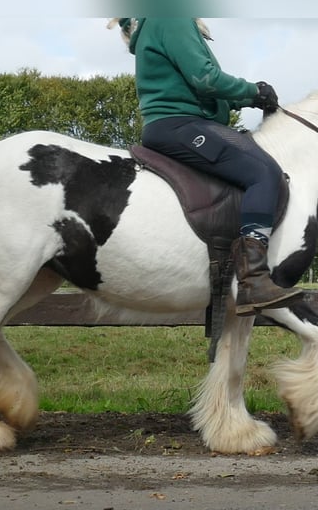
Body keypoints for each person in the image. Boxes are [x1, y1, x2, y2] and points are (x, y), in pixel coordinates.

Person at [109, 17, 304, 316]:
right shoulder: (170, 16)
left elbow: (194, 90)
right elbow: (205, 79)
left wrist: (246, 102)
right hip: (181, 125)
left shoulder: (158, 20)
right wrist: (254, 91)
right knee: (263, 173)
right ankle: (253, 279)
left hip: (180, 122)